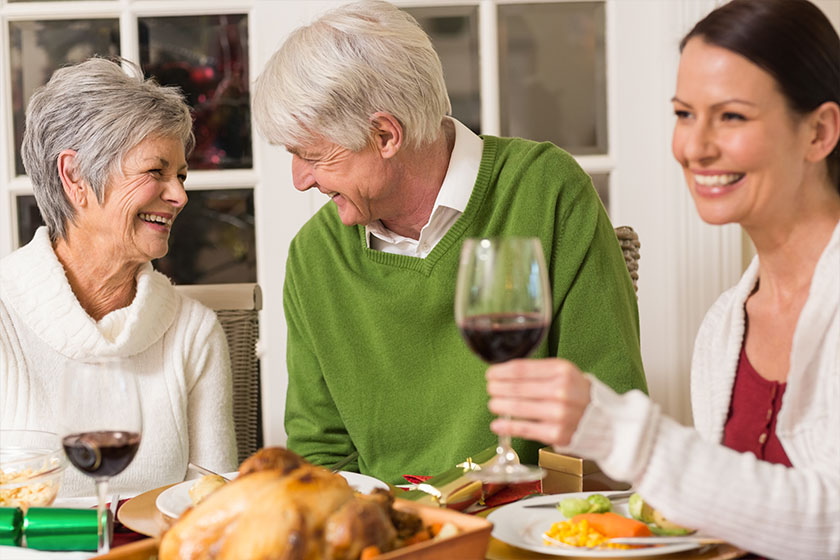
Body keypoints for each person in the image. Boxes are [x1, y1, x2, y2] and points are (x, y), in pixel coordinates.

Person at [484, 0, 839, 557]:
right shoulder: (725, 327)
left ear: (819, 131)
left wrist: (625, 433)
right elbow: (732, 519)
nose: (695, 147)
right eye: (684, 114)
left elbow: (830, 523)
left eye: (732, 116)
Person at [253, 0, 647, 485]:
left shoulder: (544, 191)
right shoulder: (316, 256)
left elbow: (608, 416)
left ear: (384, 135)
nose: (300, 180)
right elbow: (321, 458)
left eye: (312, 155)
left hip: (528, 526)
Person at [0, 58, 237, 497]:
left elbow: (211, 508)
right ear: (75, 177)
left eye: (181, 175)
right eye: (156, 171)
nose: (180, 195)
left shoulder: (193, 332)